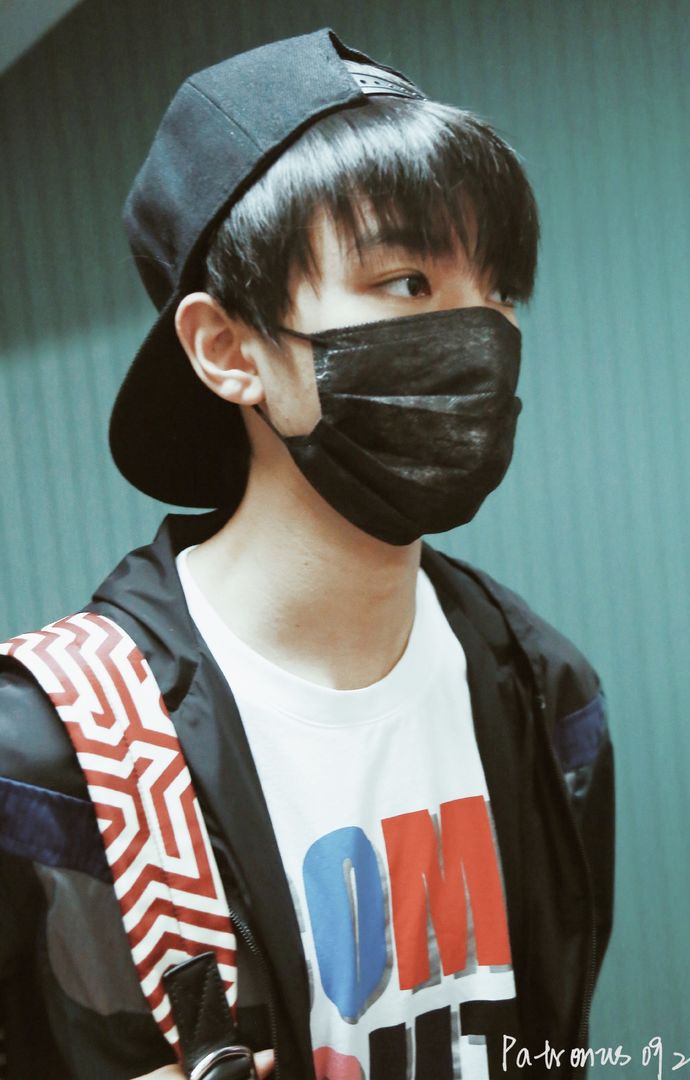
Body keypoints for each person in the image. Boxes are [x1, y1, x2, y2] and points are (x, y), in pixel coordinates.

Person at [0, 28, 614, 1080]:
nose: (478, 331)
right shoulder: (48, 761)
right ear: (227, 348)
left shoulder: (546, 693)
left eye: (499, 290)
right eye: (407, 281)